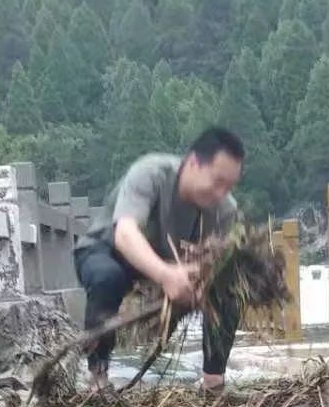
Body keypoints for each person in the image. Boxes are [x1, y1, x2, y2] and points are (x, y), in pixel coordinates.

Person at [74, 127, 245, 392]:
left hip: (170, 265)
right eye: (217, 182)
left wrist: (198, 279)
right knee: (107, 276)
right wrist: (167, 276)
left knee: (228, 289)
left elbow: (212, 260)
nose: (221, 193)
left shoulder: (225, 210)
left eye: (229, 187)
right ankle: (97, 377)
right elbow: (126, 234)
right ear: (193, 163)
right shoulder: (151, 173)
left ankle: (214, 381)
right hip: (110, 251)